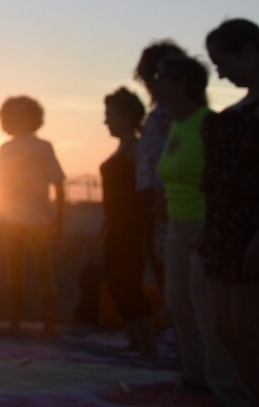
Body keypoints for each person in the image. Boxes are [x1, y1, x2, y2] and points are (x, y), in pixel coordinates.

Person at [153, 55, 248, 403]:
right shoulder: (175, 126)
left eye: (161, 76)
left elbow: (225, 181)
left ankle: (227, 389)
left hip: (204, 226)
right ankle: (195, 379)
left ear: (182, 83)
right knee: (180, 309)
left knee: (207, 313)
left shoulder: (209, 124)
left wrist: (211, 227)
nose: (155, 83)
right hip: (177, 229)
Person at [201, 19, 259, 404]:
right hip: (226, 230)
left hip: (253, 232)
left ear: (251, 53)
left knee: (250, 330)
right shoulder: (237, 111)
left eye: (223, 62)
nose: (220, 73)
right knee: (227, 328)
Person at [0, 95, 65, 336]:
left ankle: (48, 325)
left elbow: (58, 183)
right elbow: (0, 186)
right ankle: (16, 322)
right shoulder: (6, 148)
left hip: (38, 219)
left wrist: (59, 217)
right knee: (15, 272)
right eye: (14, 114)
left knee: (43, 271)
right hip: (12, 219)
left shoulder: (43, 147)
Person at [99, 87, 155, 358]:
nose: (105, 121)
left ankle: (147, 346)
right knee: (117, 286)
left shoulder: (137, 149)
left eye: (109, 115)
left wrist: (145, 232)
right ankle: (136, 342)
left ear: (125, 115)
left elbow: (146, 192)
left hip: (131, 230)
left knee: (130, 287)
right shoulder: (123, 149)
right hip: (115, 229)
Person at [133, 40, 186, 287]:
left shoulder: (174, 117)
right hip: (157, 210)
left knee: (175, 282)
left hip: (169, 210)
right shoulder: (157, 118)